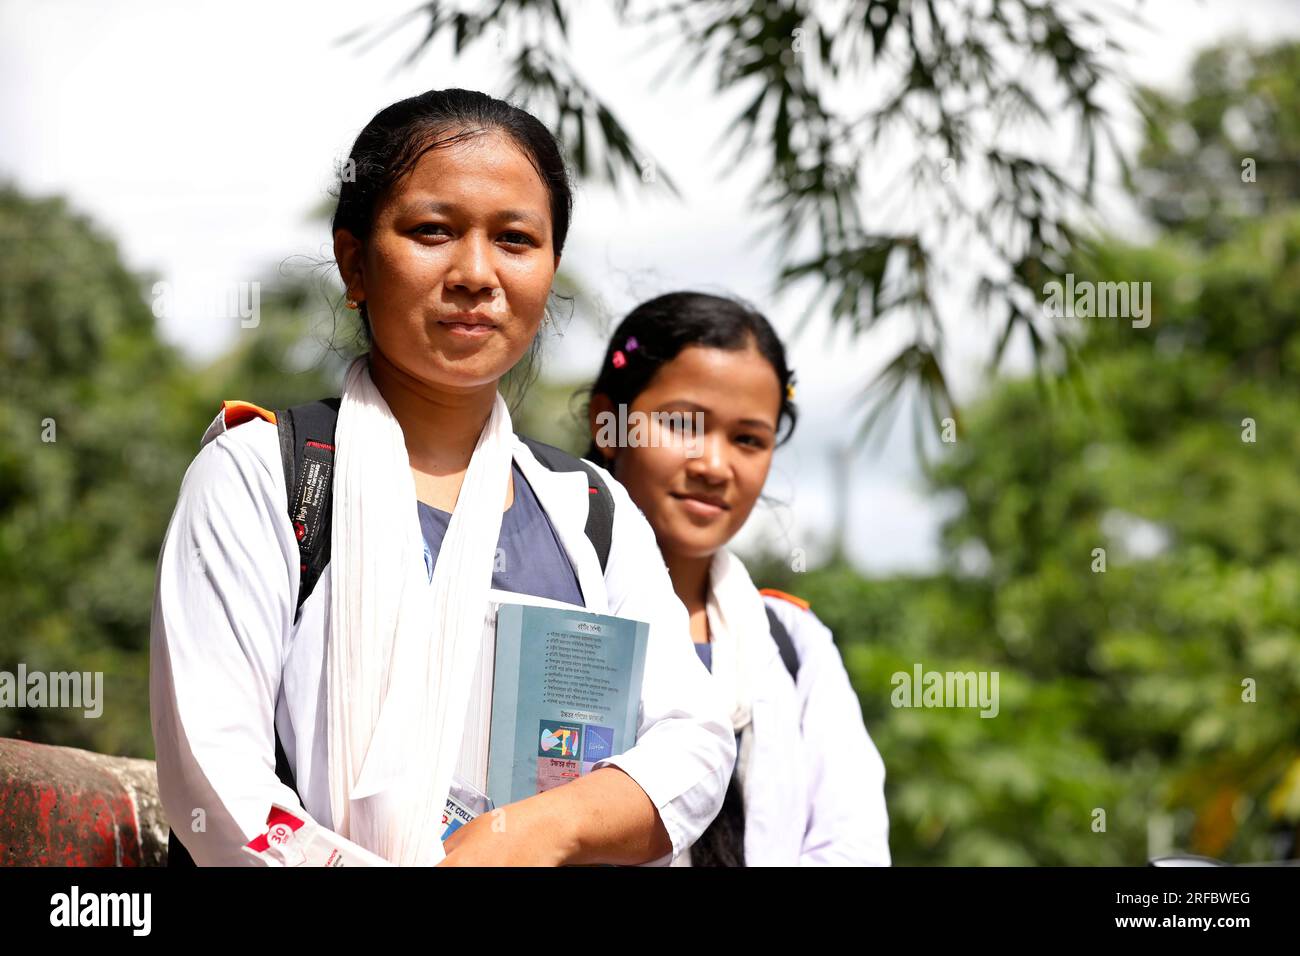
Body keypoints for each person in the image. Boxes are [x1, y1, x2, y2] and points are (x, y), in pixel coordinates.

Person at [149, 90, 734, 867]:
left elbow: (692, 741)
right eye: (433, 231)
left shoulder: (591, 512)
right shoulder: (262, 479)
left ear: (550, 267)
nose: (475, 273)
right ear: (355, 261)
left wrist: (537, 830)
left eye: (516, 240)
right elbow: (217, 788)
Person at [583, 291, 890, 865]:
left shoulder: (794, 644)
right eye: (681, 424)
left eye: (748, 439)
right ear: (610, 424)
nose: (714, 466)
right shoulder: (540, 597)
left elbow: (851, 844)